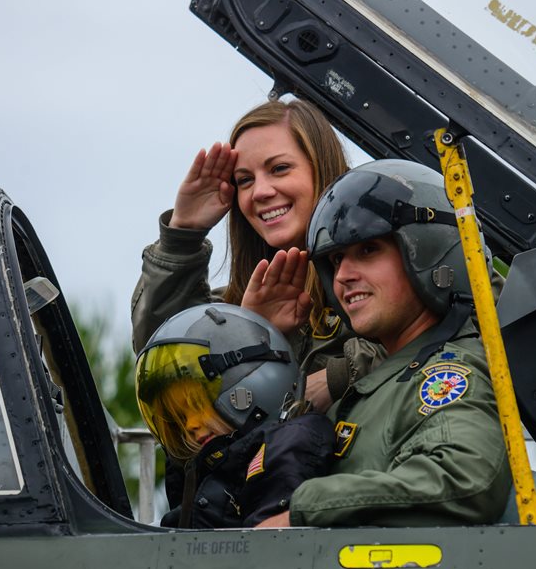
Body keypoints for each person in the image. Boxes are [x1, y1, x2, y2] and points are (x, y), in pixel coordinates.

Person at [254, 159, 513, 528]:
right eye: (336, 260)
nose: (343, 276)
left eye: (368, 250)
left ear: (428, 249)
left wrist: (303, 512)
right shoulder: (390, 376)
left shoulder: (444, 374)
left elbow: (463, 478)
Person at [131, 99, 384, 412]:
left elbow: (427, 343)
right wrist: (183, 235)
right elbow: (163, 362)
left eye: (279, 169)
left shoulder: (387, 277)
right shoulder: (239, 306)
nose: (260, 192)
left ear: (322, 168)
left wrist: (339, 376)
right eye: (245, 180)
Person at [135, 303, 335, 528]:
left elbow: (265, 541)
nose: (189, 426)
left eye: (197, 406)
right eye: (181, 419)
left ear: (249, 390)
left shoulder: (289, 443)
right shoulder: (208, 470)